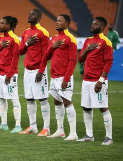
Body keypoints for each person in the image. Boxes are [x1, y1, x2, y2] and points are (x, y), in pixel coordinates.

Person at [37, 14, 78, 140]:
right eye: (56, 20)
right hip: (54, 76)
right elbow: (46, 56)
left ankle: (73, 133)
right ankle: (60, 130)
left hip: (63, 77)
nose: (57, 22)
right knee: (56, 101)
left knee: (67, 102)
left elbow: (72, 61)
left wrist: (66, 79)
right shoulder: (54, 39)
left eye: (60, 21)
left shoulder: (71, 39)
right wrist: (52, 48)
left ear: (67, 24)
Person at [77, 17, 113, 145]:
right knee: (86, 107)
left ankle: (109, 137)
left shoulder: (106, 42)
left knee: (103, 107)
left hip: (98, 80)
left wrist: (101, 80)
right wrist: (87, 49)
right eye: (92, 23)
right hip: (86, 80)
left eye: (96, 24)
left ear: (102, 27)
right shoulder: (88, 41)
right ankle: (89, 135)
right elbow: (80, 59)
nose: (92, 25)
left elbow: (108, 62)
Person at [17, 9, 51, 136]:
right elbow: (20, 51)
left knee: (42, 99)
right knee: (29, 99)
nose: (29, 15)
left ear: (39, 17)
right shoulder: (25, 32)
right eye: (29, 13)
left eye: (32, 14)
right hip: (27, 71)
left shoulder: (43, 33)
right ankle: (33, 126)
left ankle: (46, 128)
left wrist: (41, 71)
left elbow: (46, 54)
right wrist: (26, 43)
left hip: (38, 70)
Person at [0, 16, 22, 133]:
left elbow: (15, 59)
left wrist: (9, 75)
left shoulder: (14, 39)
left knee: (14, 99)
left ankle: (18, 125)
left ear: (8, 26)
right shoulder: (0, 39)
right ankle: (4, 124)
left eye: (2, 23)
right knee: (2, 99)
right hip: (0, 74)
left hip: (10, 75)